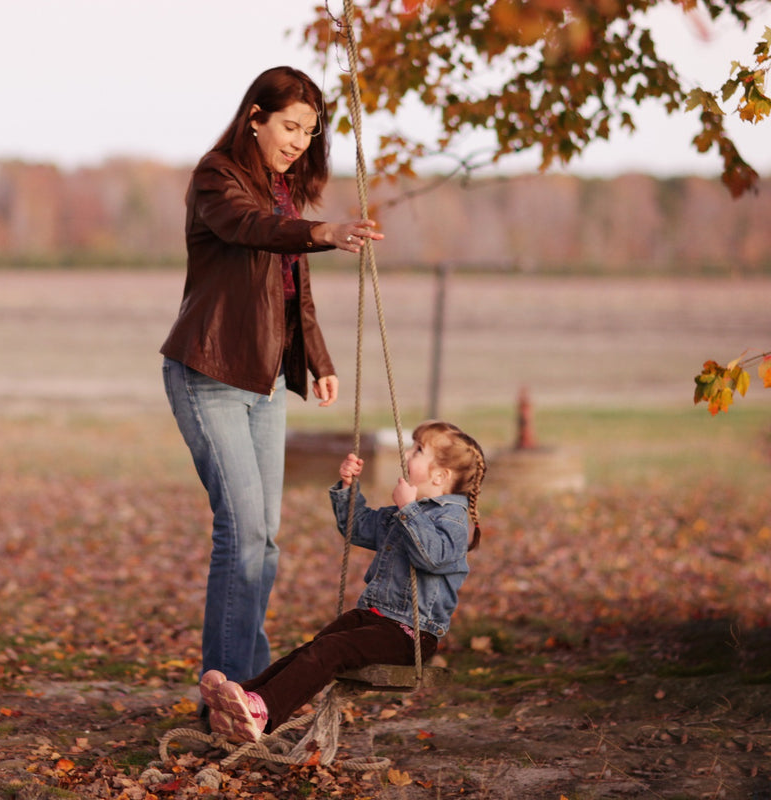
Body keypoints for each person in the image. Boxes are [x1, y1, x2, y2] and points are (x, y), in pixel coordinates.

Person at [160, 66, 384, 687]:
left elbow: (293, 291)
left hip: (261, 384)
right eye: (289, 126)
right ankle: (232, 689)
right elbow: (250, 230)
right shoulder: (216, 177)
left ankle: (247, 690)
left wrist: (318, 358)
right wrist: (324, 231)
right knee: (243, 531)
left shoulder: (283, 193)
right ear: (254, 117)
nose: (298, 141)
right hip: (207, 373)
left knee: (265, 540)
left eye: (310, 133)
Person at [198, 420, 486, 743]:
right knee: (313, 648)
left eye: (419, 450)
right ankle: (242, 696)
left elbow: (432, 556)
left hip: (410, 634)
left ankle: (262, 709)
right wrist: (349, 488)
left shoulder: (453, 521)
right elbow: (358, 527)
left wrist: (409, 510)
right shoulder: (408, 512)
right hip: (375, 619)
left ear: (440, 476)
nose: (408, 453)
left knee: (331, 650)